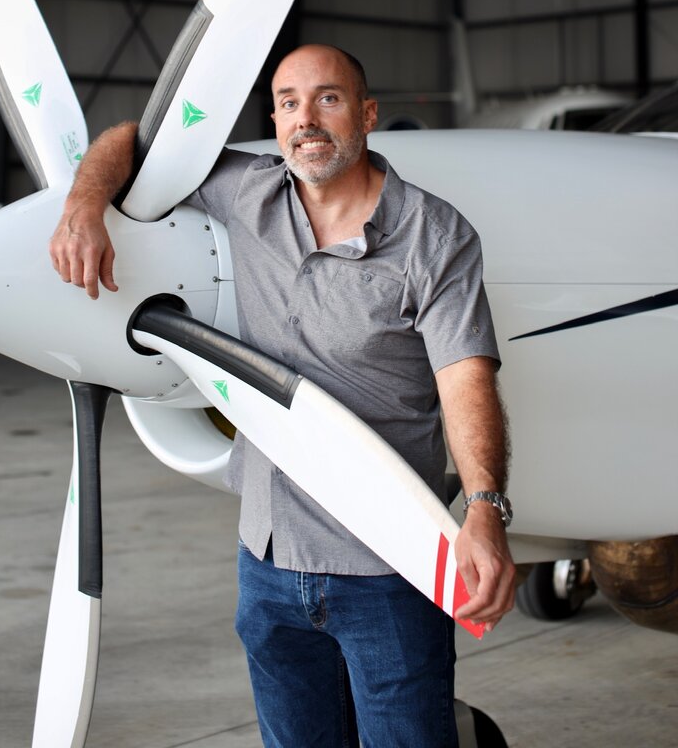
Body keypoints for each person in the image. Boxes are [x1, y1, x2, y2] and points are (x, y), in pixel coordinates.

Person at [50, 43, 516, 748]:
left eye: (328, 98)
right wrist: (84, 205)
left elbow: (466, 379)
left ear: (367, 114)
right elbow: (132, 142)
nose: (307, 119)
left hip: (386, 564)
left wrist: (484, 506)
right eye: (290, 102)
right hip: (266, 563)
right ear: (274, 120)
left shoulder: (434, 235)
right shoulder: (249, 190)